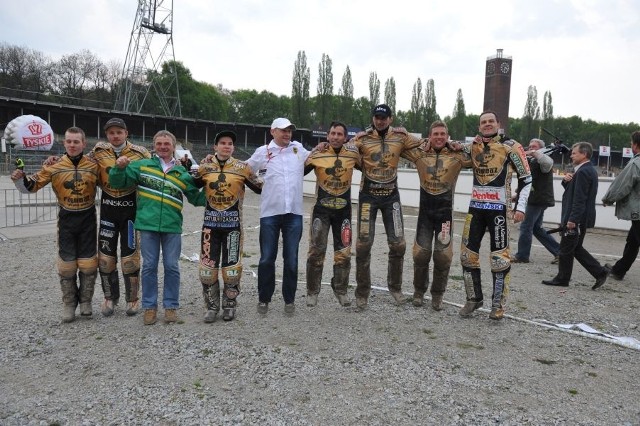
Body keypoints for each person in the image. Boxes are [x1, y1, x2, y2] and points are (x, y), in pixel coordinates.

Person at [109, 130, 205, 325]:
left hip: (172, 226)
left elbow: (196, 198)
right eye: (159, 143)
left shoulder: (181, 173)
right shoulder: (142, 166)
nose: (163, 147)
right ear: (154, 146)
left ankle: (170, 307)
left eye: (166, 144)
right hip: (148, 225)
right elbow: (117, 182)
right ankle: (149, 308)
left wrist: (215, 192)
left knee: (172, 266)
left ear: (173, 146)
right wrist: (118, 168)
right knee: (149, 267)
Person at [12, 127, 99, 322]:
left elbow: (112, 184)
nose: (72, 145)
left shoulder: (94, 165)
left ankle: (86, 302)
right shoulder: (54, 165)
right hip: (67, 218)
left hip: (88, 218)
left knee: (88, 262)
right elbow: (31, 187)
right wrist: (19, 180)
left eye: (76, 142)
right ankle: (69, 304)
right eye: (69, 141)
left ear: (84, 144)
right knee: (67, 265)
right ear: (64, 143)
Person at [459, 110, 532, 320]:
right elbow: (449, 148)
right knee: (467, 255)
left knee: (499, 259)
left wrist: (521, 208)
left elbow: (527, 179)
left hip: (500, 210)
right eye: (484, 122)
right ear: (479, 126)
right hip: (476, 209)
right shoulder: (472, 146)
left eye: (491, 121)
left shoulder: (512, 146)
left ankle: (498, 305)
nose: (487, 124)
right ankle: (473, 299)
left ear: (498, 123)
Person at [350, 104, 423, 309]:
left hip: (392, 197)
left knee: (398, 243)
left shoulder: (401, 137)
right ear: (373, 118)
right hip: (368, 197)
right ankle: (362, 292)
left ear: (390, 119)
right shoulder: (362, 138)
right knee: (363, 244)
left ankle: (396, 288)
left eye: (383, 118)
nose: (380, 121)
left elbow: (425, 145)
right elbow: (345, 150)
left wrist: (450, 144)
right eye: (376, 117)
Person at [401, 121, 471, 310]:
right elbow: (400, 145)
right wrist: (414, 137)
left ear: (447, 136)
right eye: (435, 134)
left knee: (443, 256)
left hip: (444, 216)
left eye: (442, 134)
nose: (439, 137)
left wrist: (462, 146)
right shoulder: (420, 154)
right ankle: (418, 291)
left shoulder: (457, 156)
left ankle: (438, 295)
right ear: (430, 136)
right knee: (420, 255)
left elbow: (479, 155)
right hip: (425, 214)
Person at [194, 130, 262, 323]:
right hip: (210, 227)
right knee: (208, 269)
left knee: (232, 268)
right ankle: (211, 307)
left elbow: (259, 187)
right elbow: (191, 185)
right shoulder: (205, 167)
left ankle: (229, 306)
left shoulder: (242, 168)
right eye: (222, 143)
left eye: (230, 143)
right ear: (215, 147)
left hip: (233, 227)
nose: (226, 146)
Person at [246, 118, 310, 315]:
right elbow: (245, 170)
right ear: (272, 131)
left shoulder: (298, 149)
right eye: (283, 130)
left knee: (291, 260)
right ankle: (264, 298)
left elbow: (317, 156)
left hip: (294, 214)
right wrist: (256, 185)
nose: (287, 134)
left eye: (290, 130)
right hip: (270, 214)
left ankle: (289, 300)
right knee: (266, 259)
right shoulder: (262, 152)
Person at [304, 121, 361, 307]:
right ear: (327, 135)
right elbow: (296, 172)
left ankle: (341, 290)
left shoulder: (353, 154)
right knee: (316, 252)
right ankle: (312, 292)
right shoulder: (317, 153)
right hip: (321, 211)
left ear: (345, 137)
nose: (336, 137)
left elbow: (371, 167)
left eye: (339, 134)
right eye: (333, 133)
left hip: (344, 212)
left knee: (344, 253)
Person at [542, 142, 610, 289]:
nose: (571, 155)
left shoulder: (584, 172)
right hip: (582, 217)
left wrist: (573, 220)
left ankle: (562, 279)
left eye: (574, 153)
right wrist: (566, 182)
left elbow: (580, 199)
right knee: (575, 247)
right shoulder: (586, 170)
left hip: (577, 218)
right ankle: (600, 272)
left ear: (584, 154)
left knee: (566, 248)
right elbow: (576, 194)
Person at [511, 138, 561, 264]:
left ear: (542, 149)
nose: (531, 148)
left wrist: (535, 153)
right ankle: (560, 252)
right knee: (536, 228)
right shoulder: (531, 161)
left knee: (526, 226)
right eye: (529, 146)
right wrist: (518, 195)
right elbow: (528, 181)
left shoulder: (544, 159)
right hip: (535, 198)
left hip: (537, 199)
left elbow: (547, 163)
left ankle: (522, 255)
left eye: (534, 146)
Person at [602, 131, 640, 281]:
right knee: (633, 241)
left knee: (635, 240)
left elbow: (622, 185)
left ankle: (619, 270)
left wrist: (608, 199)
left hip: (638, 210)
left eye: (631, 143)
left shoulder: (636, 163)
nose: (631, 146)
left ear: (636, 145)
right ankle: (619, 270)